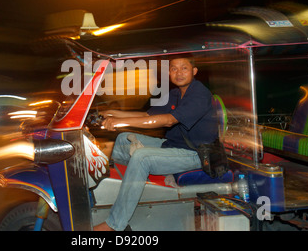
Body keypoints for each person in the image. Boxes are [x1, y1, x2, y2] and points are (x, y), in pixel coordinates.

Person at [93, 55, 218, 231]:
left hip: (195, 154)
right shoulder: (175, 94)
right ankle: (116, 187)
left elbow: (168, 121)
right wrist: (112, 113)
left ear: (194, 71)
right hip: (172, 146)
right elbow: (147, 115)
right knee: (123, 139)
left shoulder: (199, 94)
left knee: (142, 157)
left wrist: (120, 123)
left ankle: (115, 224)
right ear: (169, 73)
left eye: (184, 68)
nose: (179, 72)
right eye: (174, 68)